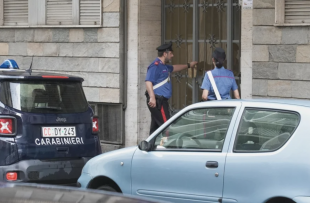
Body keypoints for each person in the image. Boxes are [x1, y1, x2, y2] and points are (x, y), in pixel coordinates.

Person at [145, 42, 197, 135]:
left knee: (156, 127)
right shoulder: (155, 66)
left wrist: (189, 65)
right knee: (167, 126)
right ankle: (167, 146)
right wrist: (152, 97)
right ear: (165, 54)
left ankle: (150, 145)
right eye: (171, 53)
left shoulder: (164, 65)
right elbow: (148, 81)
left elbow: (174, 68)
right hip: (158, 101)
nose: (172, 56)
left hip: (160, 100)